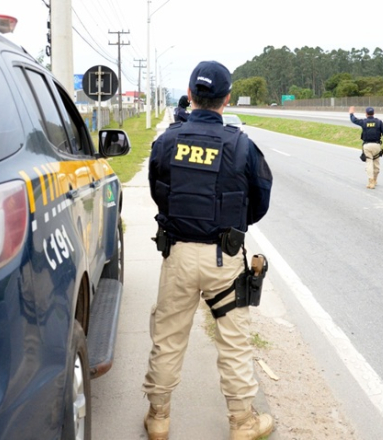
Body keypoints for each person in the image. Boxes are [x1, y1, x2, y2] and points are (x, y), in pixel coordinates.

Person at [144, 60, 274, 440]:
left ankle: (158, 419)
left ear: (190, 95)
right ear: (227, 99)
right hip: (224, 259)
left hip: (178, 255)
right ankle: (242, 423)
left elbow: (157, 190)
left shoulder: (167, 141)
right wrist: (230, 224)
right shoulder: (241, 145)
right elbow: (260, 201)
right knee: (234, 343)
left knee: (168, 339)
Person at [349, 106, 383, 189]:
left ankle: (371, 181)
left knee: (369, 163)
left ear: (366, 114)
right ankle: (375, 179)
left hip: (367, 146)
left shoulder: (364, 122)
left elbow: (354, 120)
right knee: (376, 163)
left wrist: (351, 113)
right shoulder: (379, 122)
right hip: (377, 146)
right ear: (374, 113)